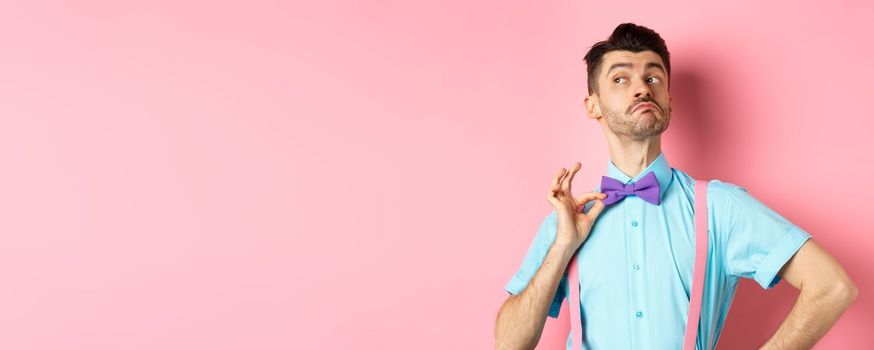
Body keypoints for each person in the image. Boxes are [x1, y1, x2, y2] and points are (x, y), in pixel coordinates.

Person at [492, 23, 857, 350]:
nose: (640, 88)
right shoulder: (564, 226)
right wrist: (562, 247)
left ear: (669, 101)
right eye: (620, 79)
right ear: (593, 105)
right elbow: (508, 345)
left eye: (653, 78)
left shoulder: (720, 208)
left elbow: (832, 287)